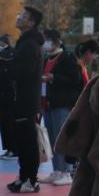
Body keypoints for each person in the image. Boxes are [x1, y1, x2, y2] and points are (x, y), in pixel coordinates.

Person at [5, 6, 45, 193]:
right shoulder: (26, 42)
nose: (19, 17)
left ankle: (31, 179)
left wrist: (8, 65)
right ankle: (24, 176)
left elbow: (24, 72)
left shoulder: (29, 45)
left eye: (23, 16)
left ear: (31, 22)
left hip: (26, 101)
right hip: (22, 99)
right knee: (22, 141)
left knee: (28, 141)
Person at [37, 30, 83, 186]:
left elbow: (75, 79)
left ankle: (67, 172)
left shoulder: (67, 57)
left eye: (48, 39)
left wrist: (53, 78)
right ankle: (57, 170)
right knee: (51, 138)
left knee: (62, 137)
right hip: (47, 103)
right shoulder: (46, 58)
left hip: (62, 103)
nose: (46, 43)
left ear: (58, 41)